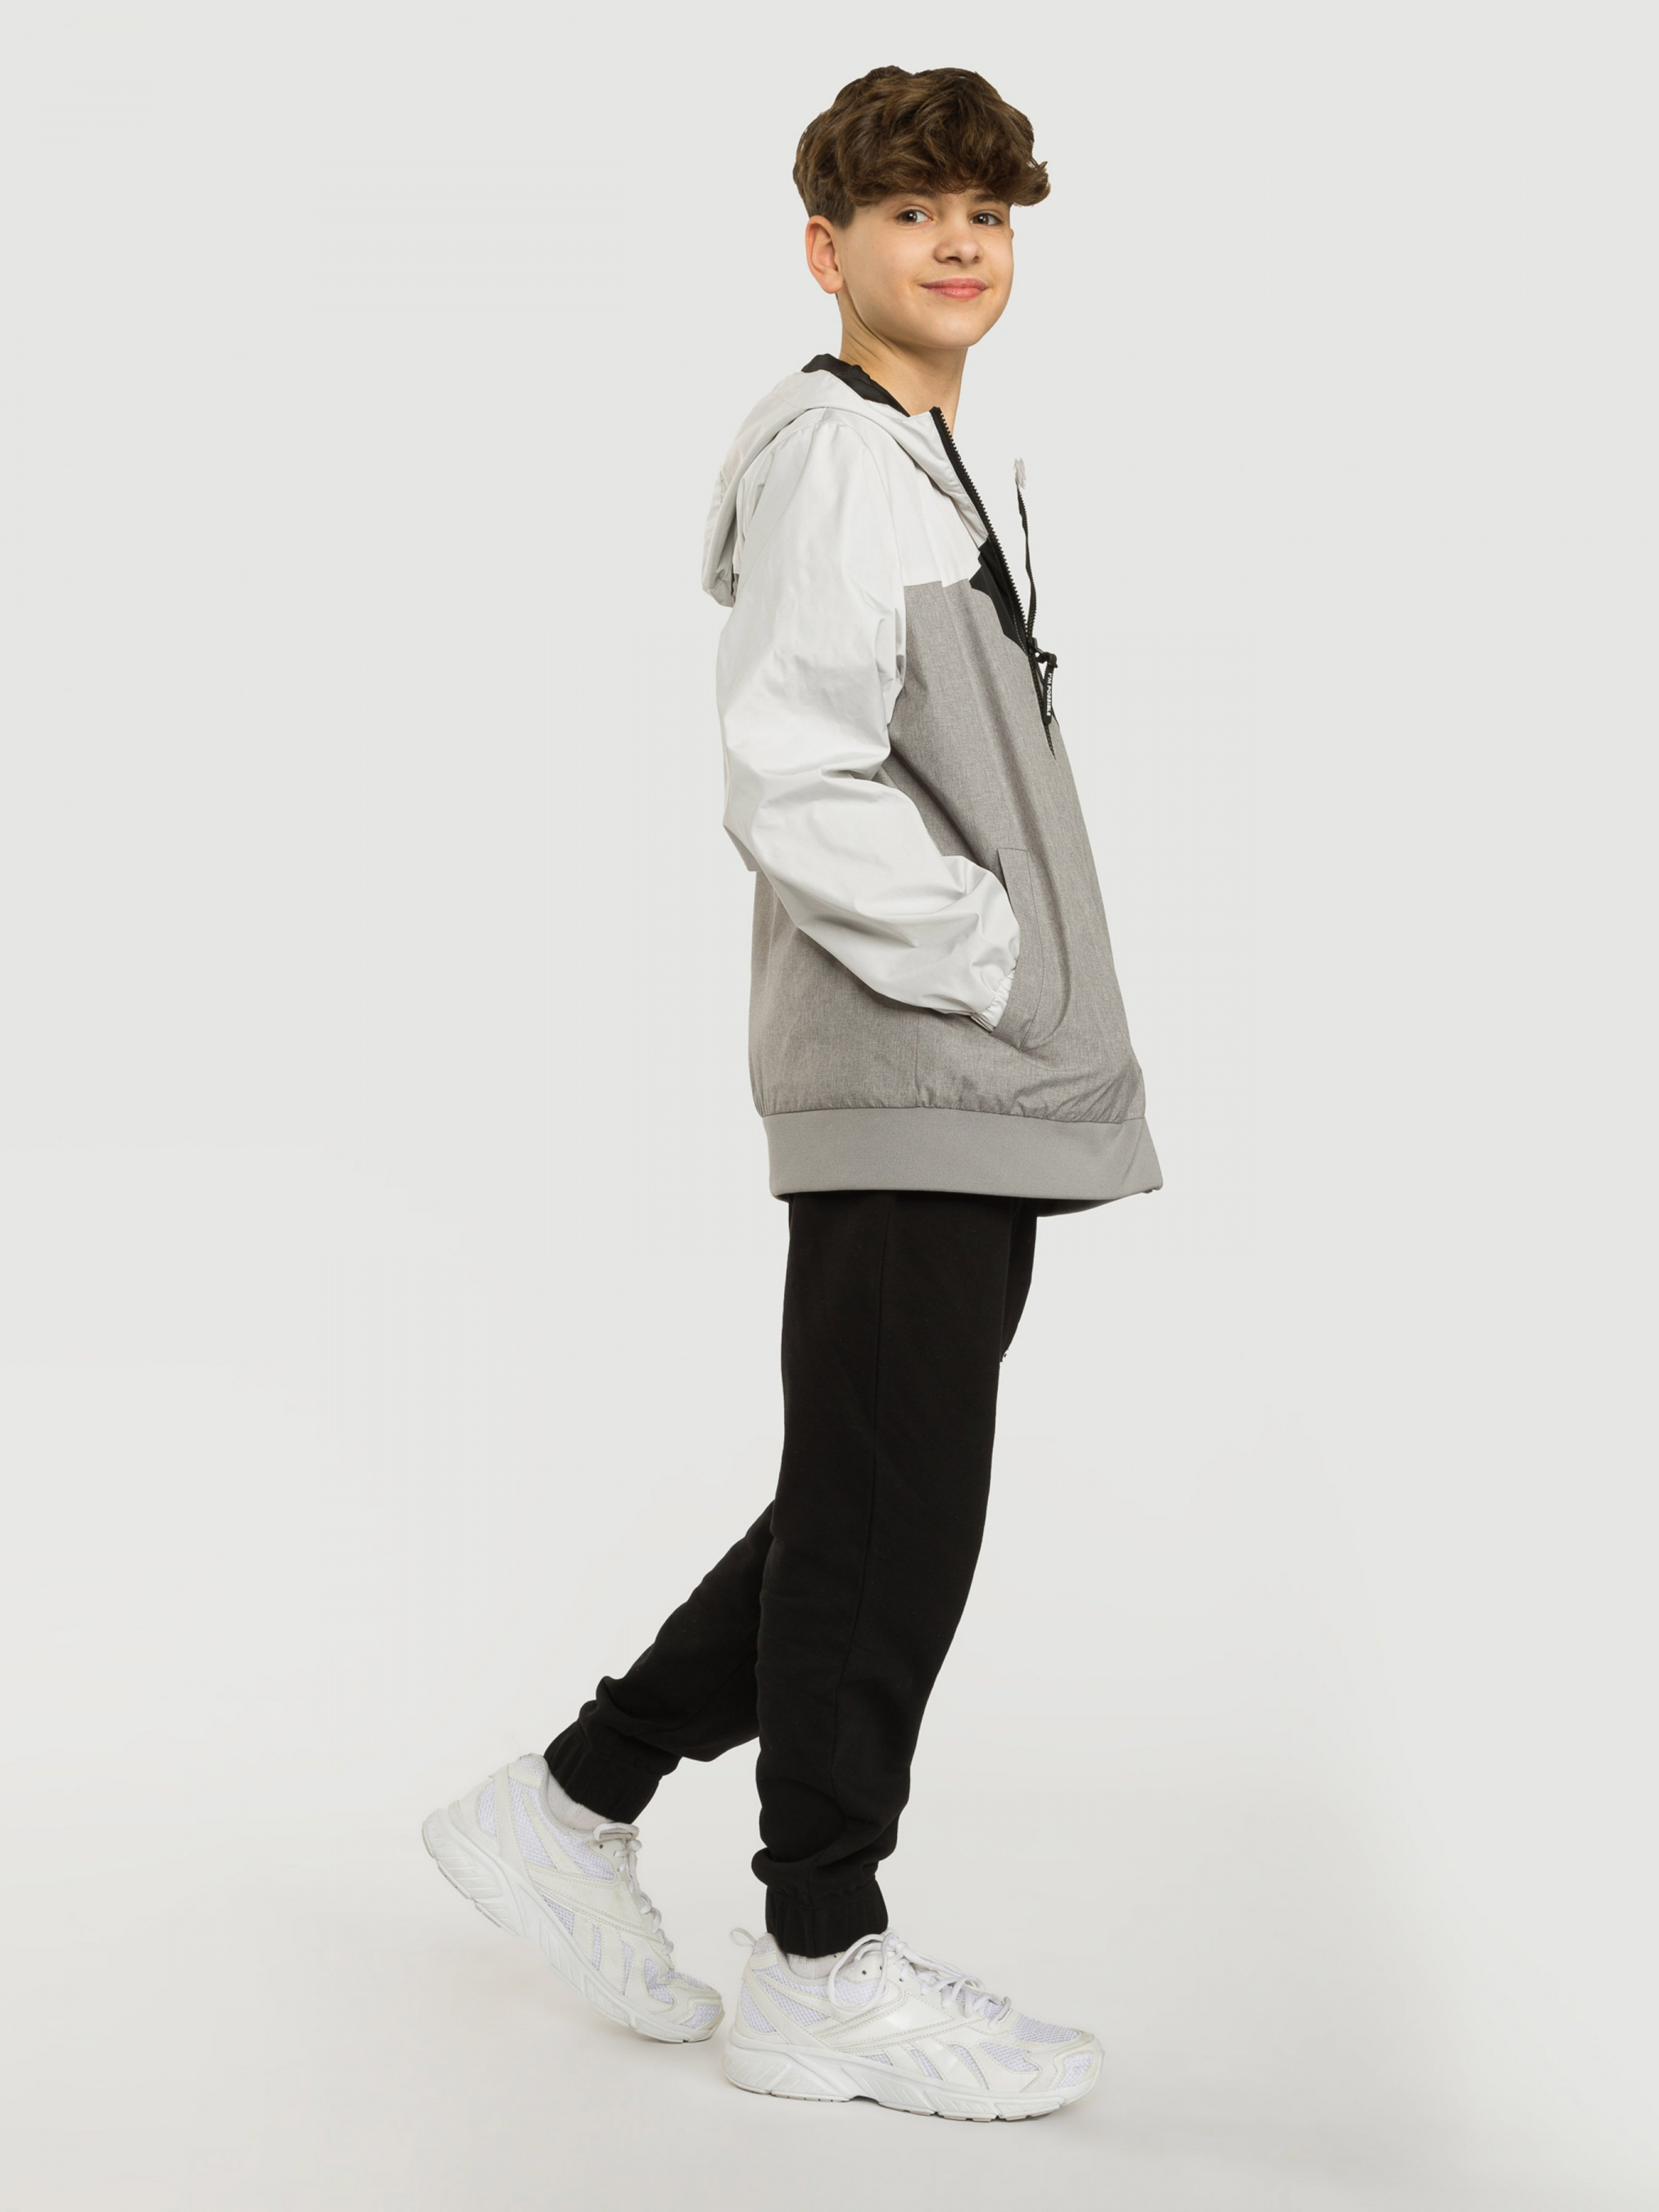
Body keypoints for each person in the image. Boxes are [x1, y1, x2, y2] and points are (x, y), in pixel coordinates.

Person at [423, 63, 1160, 2121]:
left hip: (958, 1071)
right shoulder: (840, 465)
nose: (957, 244)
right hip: (914, 1056)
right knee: (889, 1509)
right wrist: (1000, 964)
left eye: (984, 214)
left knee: (871, 1490)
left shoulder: (929, 461)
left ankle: (572, 1802)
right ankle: (819, 1958)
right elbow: (791, 773)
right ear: (825, 249)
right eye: (911, 212)